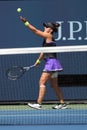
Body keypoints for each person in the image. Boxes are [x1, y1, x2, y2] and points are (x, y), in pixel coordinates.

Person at [20, 16, 67, 109]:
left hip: (51, 63)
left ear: (50, 30)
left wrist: (26, 23)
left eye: (46, 27)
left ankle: (38, 103)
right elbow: (43, 51)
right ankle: (62, 103)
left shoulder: (48, 36)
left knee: (41, 82)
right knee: (54, 84)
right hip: (53, 63)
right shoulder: (47, 39)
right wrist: (38, 61)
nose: (44, 28)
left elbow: (35, 31)